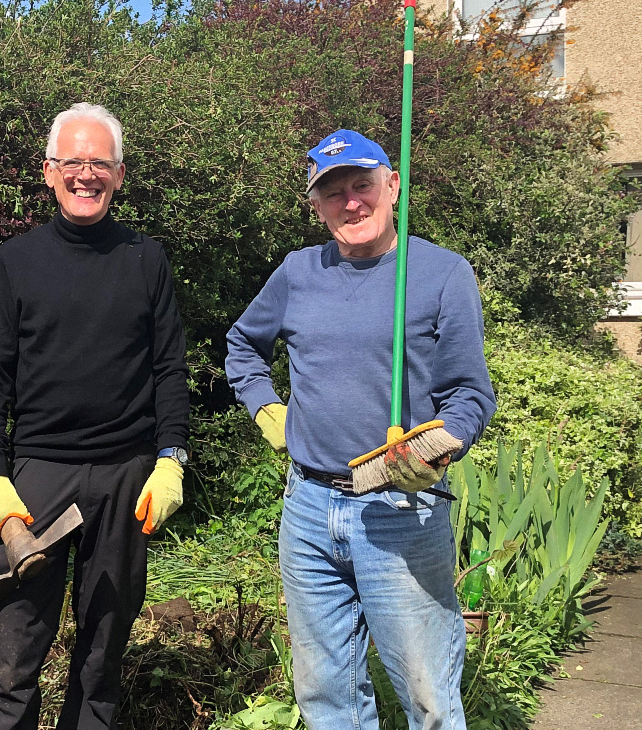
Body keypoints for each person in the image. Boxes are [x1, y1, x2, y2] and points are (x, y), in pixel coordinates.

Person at [224, 129, 497, 730]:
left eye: (362, 185)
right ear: (316, 206)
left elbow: (471, 392)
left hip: (401, 505)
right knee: (326, 696)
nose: (351, 203)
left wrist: (446, 441)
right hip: (308, 509)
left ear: (392, 185)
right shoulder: (298, 273)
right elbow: (242, 345)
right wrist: (266, 407)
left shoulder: (441, 274)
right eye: (333, 192)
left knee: (428, 697)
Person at [0, 102, 192, 730]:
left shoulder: (146, 261)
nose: (85, 174)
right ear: (48, 171)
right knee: (15, 637)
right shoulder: (17, 260)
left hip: (127, 473)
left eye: (100, 163)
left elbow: (170, 368)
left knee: (104, 643)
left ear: (119, 175)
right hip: (39, 475)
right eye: (73, 162)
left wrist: (171, 459)